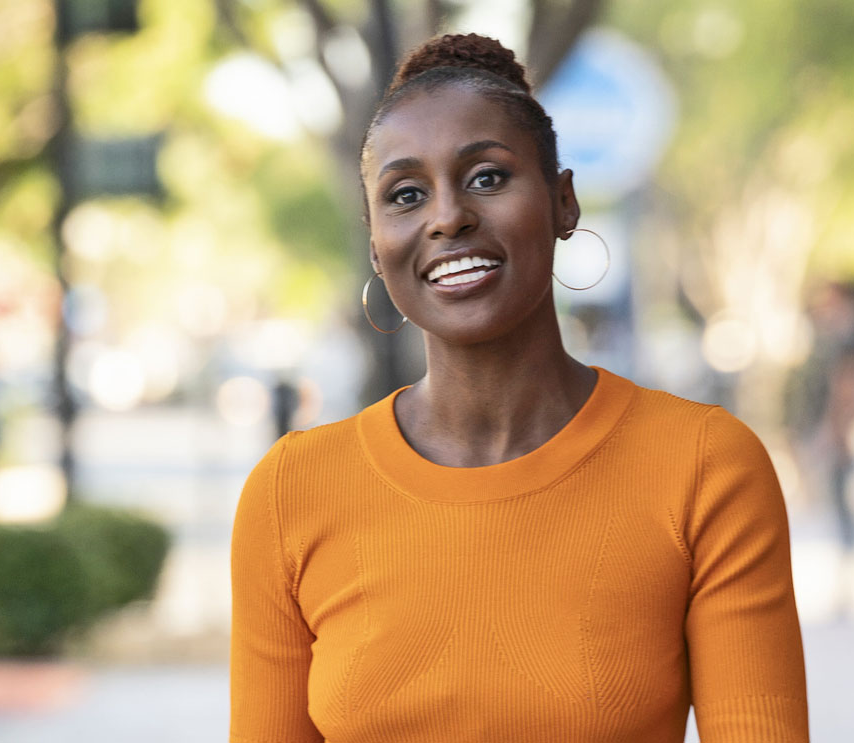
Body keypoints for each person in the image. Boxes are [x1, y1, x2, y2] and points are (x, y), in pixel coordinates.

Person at [230, 34, 808, 742]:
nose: (447, 217)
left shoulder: (705, 465)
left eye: (487, 177)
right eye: (406, 195)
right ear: (377, 244)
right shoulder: (291, 492)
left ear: (563, 202)